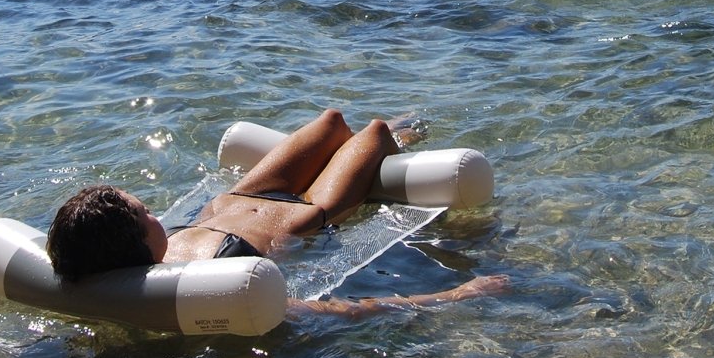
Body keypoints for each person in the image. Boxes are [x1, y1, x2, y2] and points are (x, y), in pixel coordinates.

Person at [46, 108, 508, 316]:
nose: (154, 215)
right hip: (309, 210)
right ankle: (405, 135)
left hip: (244, 195)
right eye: (145, 212)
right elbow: (327, 310)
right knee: (375, 132)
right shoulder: (200, 285)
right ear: (134, 241)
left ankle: (394, 138)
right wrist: (453, 296)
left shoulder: (150, 253)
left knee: (332, 121)